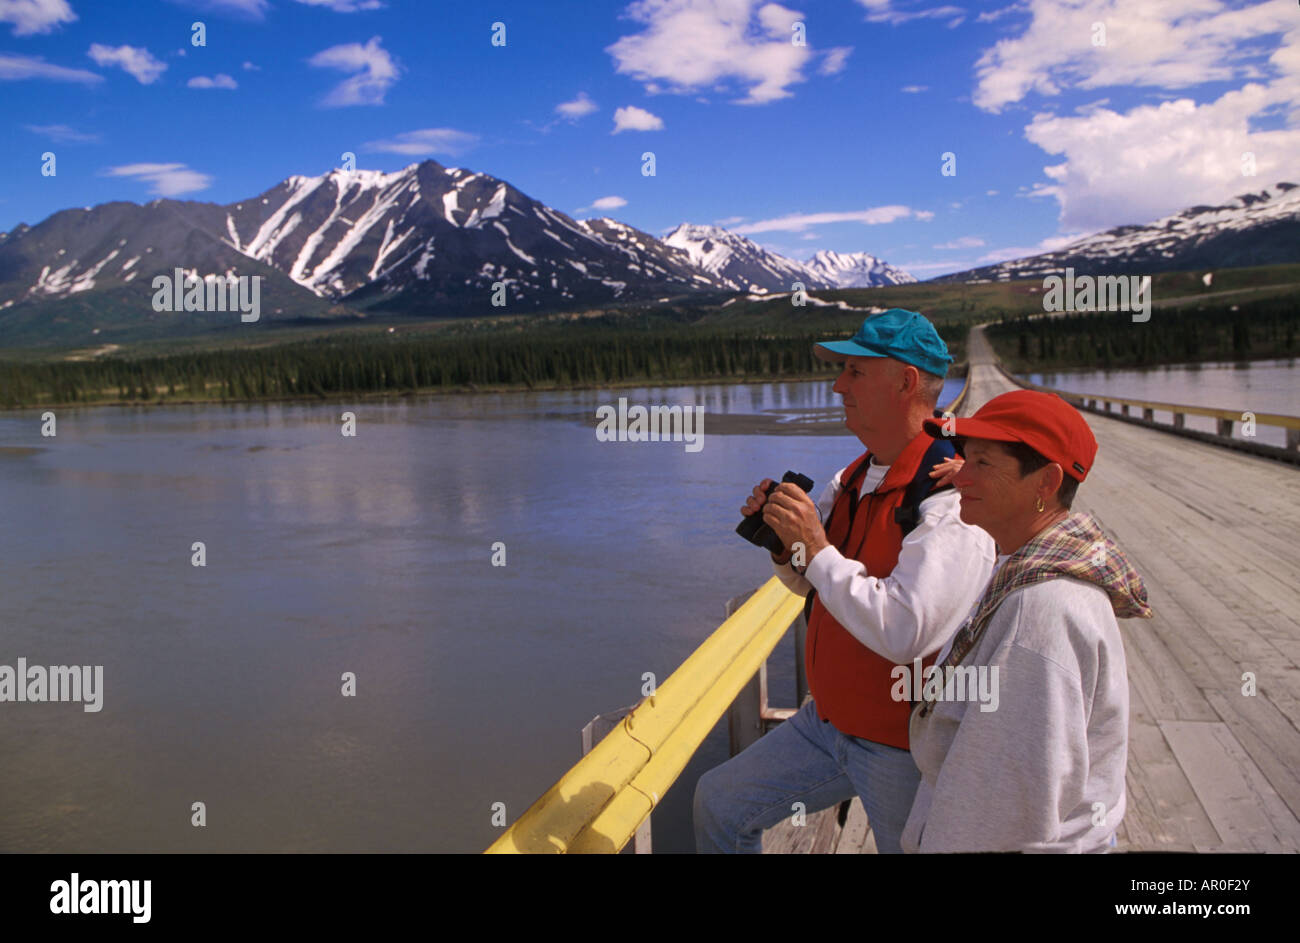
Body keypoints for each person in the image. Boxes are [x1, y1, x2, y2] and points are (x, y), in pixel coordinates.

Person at [693, 308, 997, 854]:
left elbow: (906, 631)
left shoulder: (952, 497)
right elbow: (811, 586)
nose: (838, 385)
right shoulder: (854, 474)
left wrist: (816, 545)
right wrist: (785, 546)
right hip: (828, 725)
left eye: (855, 371)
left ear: (905, 381)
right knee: (719, 803)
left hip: (902, 748)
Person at [901, 389, 1152, 853]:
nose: (960, 478)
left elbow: (996, 817)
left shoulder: (1040, 610)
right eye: (964, 460)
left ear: (1045, 482)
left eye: (982, 464)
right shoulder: (1030, 569)